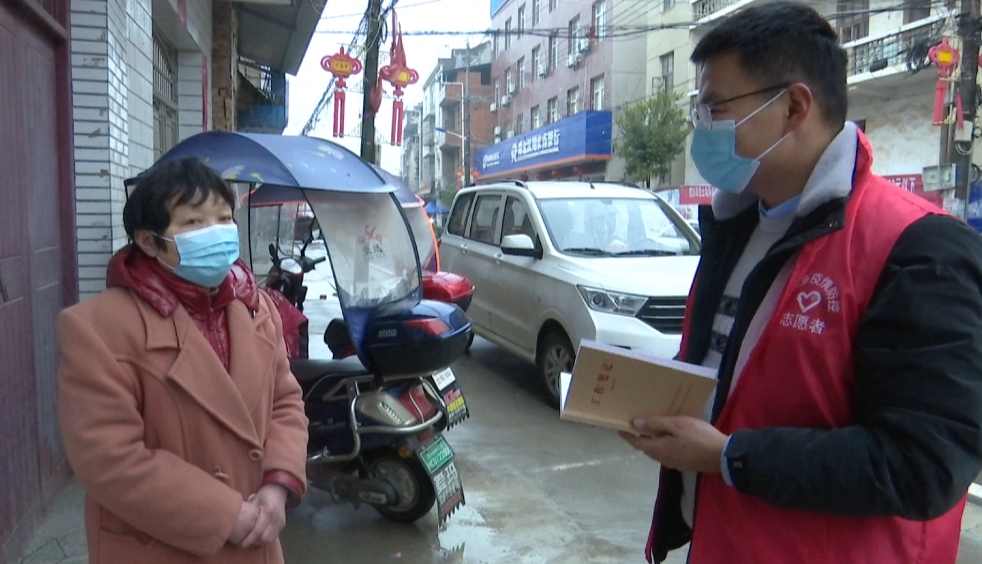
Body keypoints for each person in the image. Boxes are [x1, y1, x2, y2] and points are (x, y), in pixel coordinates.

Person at [620, 3, 982, 563]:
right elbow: (743, 371)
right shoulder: (738, 225)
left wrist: (730, 457)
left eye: (716, 109)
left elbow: (925, 464)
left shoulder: (920, 248)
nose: (701, 128)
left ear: (793, 106)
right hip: (721, 542)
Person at [57, 159, 309, 564]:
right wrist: (224, 515)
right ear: (149, 241)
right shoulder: (96, 328)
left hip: (256, 541)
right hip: (159, 544)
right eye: (193, 222)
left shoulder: (258, 308)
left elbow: (286, 402)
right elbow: (109, 458)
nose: (215, 232)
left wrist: (279, 484)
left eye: (223, 219)